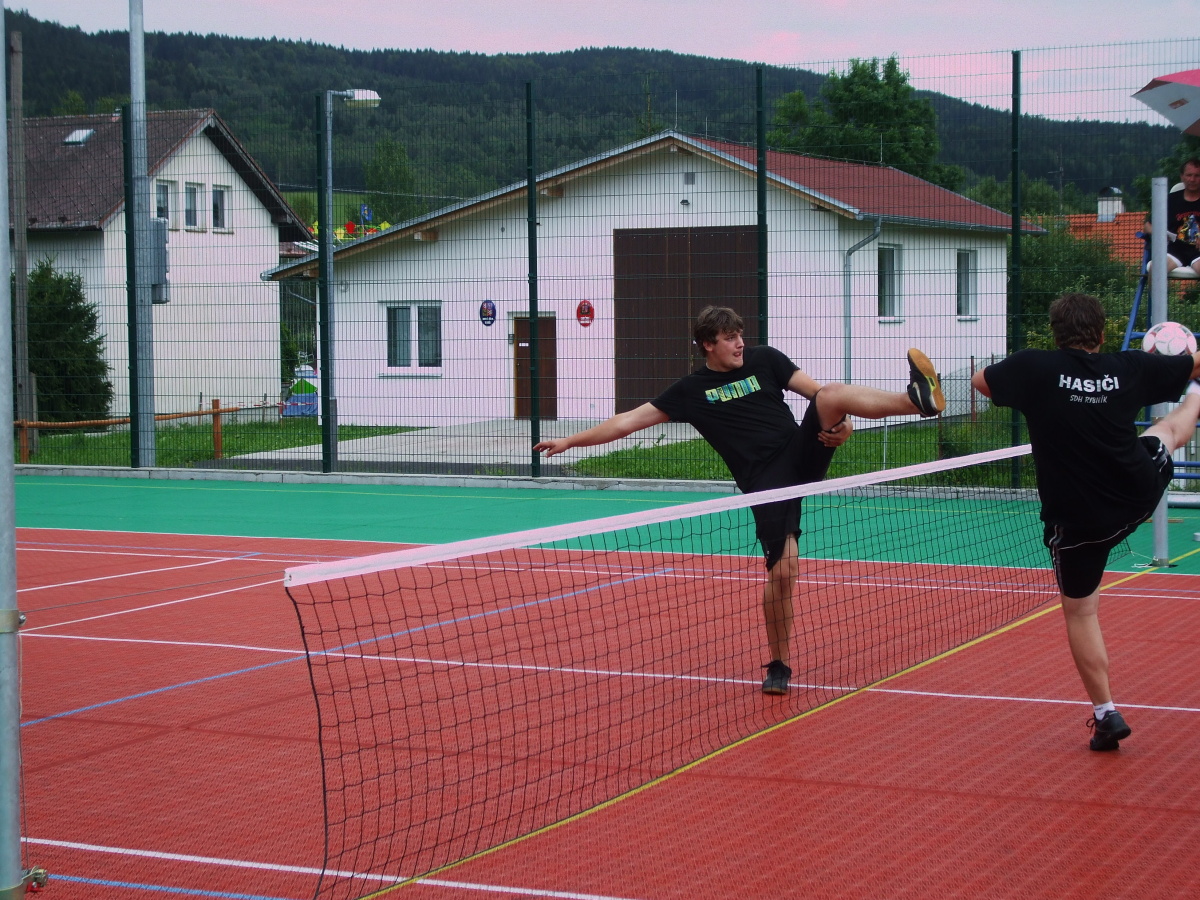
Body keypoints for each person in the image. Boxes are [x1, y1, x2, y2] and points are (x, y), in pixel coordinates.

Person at [534, 305, 945, 695]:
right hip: (765, 480)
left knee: (831, 394)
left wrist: (845, 423)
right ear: (707, 344)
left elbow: (819, 394)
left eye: (740, 335)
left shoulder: (766, 360)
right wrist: (570, 441)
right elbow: (627, 422)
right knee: (783, 571)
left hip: (800, 451)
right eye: (730, 338)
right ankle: (779, 665)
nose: (740, 343)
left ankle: (916, 401)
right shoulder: (690, 391)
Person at [972, 292, 1200, 751]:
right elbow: (1193, 362)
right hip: (1135, 495)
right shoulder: (1130, 367)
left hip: (1076, 522)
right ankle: (1197, 398)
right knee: (1167, 432)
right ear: (1101, 332)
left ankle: (1106, 713)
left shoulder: (1033, 367)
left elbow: (981, 382)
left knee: (1081, 611)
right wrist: (1186, 369)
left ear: (1056, 333)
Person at [1144, 157, 1200, 276]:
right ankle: (1154, 290)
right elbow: (1147, 226)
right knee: (1155, 269)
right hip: (1175, 250)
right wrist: (1159, 234)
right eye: (1189, 175)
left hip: (1198, 251)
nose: (1192, 179)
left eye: (1197, 175)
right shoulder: (1170, 200)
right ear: (1182, 177)